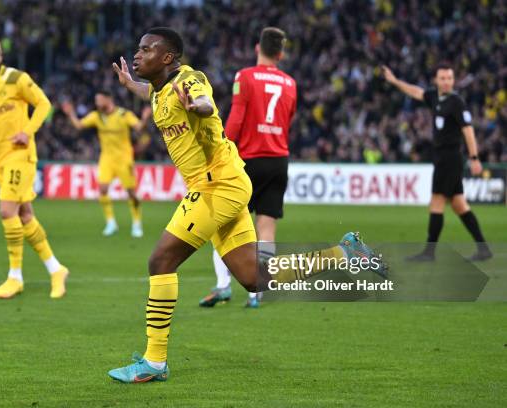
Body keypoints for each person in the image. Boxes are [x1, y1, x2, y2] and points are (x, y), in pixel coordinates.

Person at [108, 27, 385, 383]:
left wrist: (200, 107)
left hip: (215, 186)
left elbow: (202, 100)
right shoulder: (161, 90)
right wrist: (132, 85)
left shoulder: (190, 80)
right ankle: (344, 253)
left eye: (146, 49)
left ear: (168, 58)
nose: (137, 55)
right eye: (138, 48)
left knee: (160, 261)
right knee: (255, 279)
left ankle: (155, 361)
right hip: (226, 183)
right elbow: (155, 93)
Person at [0, 31, 69, 299]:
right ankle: (56, 269)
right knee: (25, 216)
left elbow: (43, 104)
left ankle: (15, 276)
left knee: (6, 210)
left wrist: (28, 130)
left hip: (20, 155)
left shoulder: (15, 79)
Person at [199, 27, 297, 309]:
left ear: (257, 48)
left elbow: (236, 119)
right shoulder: (290, 83)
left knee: (223, 223)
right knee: (266, 228)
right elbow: (287, 120)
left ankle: (223, 286)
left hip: (247, 160)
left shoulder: (245, 77)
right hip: (278, 160)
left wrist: (221, 149)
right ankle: (258, 291)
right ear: (280, 53)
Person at [382, 64, 492, 261]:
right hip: (442, 158)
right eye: (443, 78)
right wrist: (394, 81)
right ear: (436, 80)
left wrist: (474, 158)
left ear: (453, 80)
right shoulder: (434, 97)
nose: (447, 82)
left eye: (450, 78)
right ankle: (483, 249)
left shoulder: (456, 102)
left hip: (450, 158)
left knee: (437, 202)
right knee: (459, 205)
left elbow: (468, 131)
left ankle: (429, 253)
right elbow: (416, 92)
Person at [62, 91, 151, 237]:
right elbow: (79, 125)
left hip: (124, 159)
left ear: (109, 99)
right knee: (103, 189)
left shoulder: (124, 114)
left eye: (100, 100)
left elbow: (139, 127)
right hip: (106, 158)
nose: (97, 103)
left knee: (131, 194)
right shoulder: (96, 116)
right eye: (96, 100)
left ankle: (136, 223)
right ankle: (111, 223)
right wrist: (71, 113)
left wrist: (146, 118)